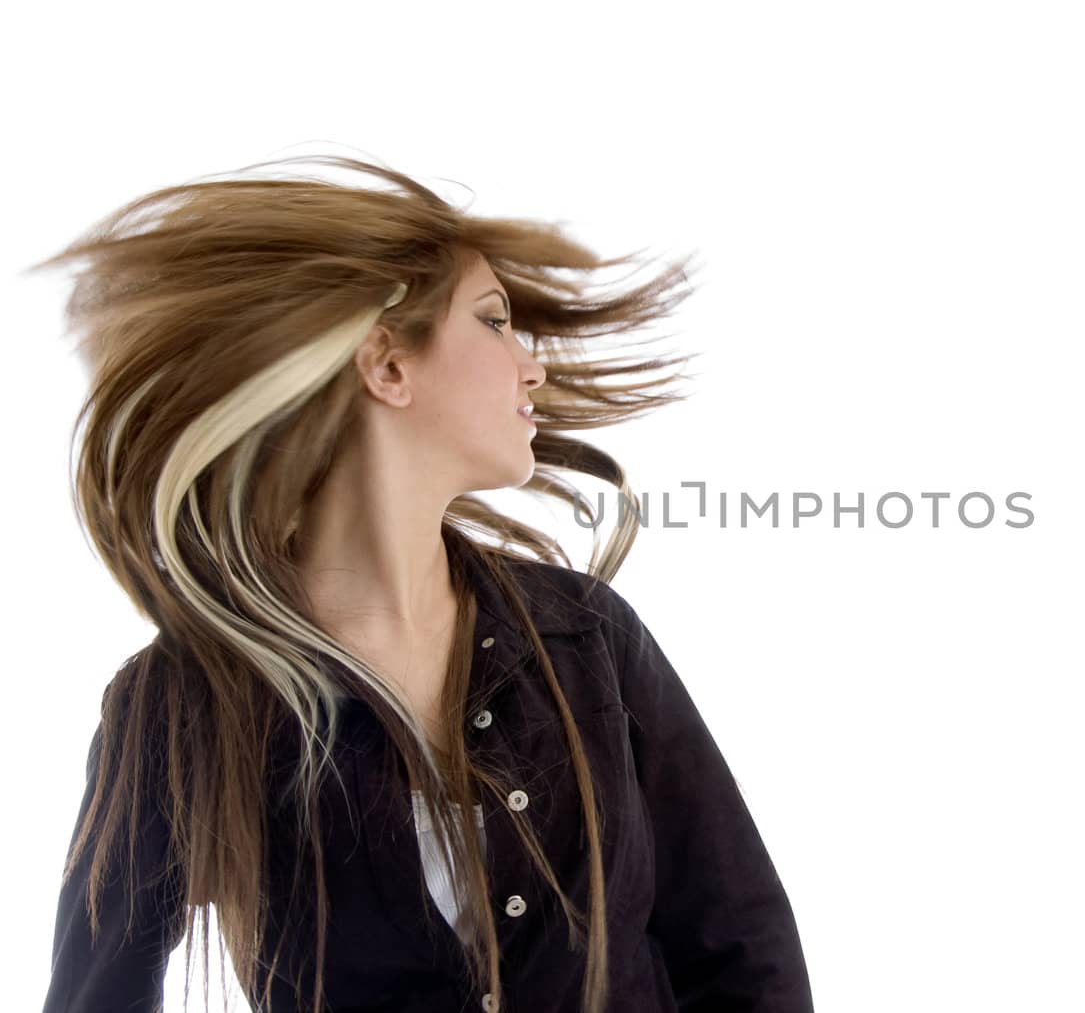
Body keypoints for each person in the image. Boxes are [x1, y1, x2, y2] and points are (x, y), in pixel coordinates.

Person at [29, 154, 814, 1013]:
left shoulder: (588, 636)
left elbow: (742, 949)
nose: (531, 367)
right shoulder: (182, 701)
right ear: (386, 366)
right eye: (493, 321)